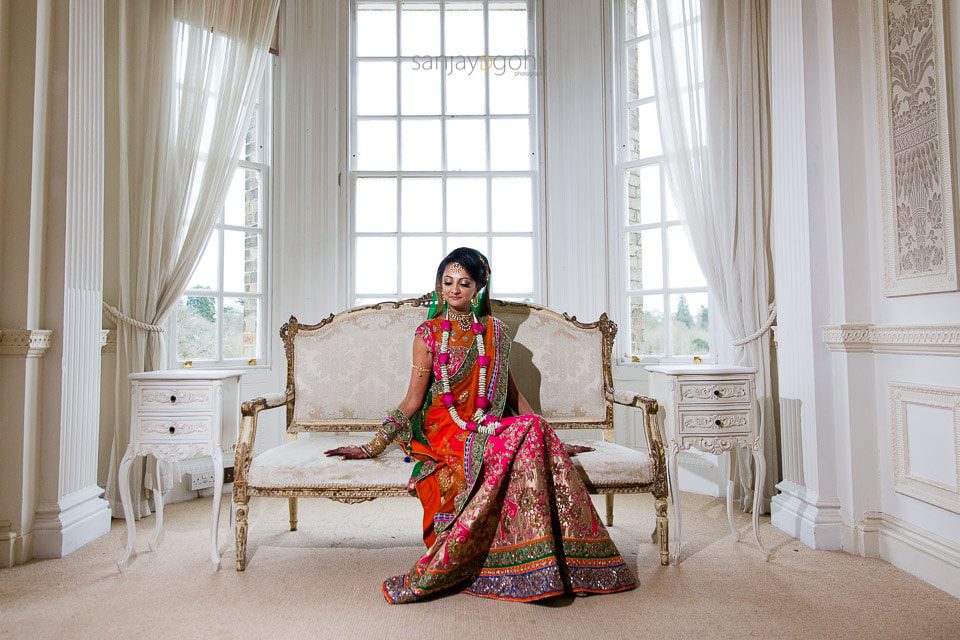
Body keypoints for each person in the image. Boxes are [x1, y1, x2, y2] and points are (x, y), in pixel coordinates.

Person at [325, 247, 636, 604]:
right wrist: (371, 446)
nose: (454, 289)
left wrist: (550, 439)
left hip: (484, 423)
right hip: (446, 429)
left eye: (464, 283)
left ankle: (545, 567)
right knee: (528, 432)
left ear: (478, 289)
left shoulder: (495, 332)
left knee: (533, 427)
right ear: (439, 286)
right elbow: (412, 400)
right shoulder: (427, 334)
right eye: (447, 282)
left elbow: (514, 395)